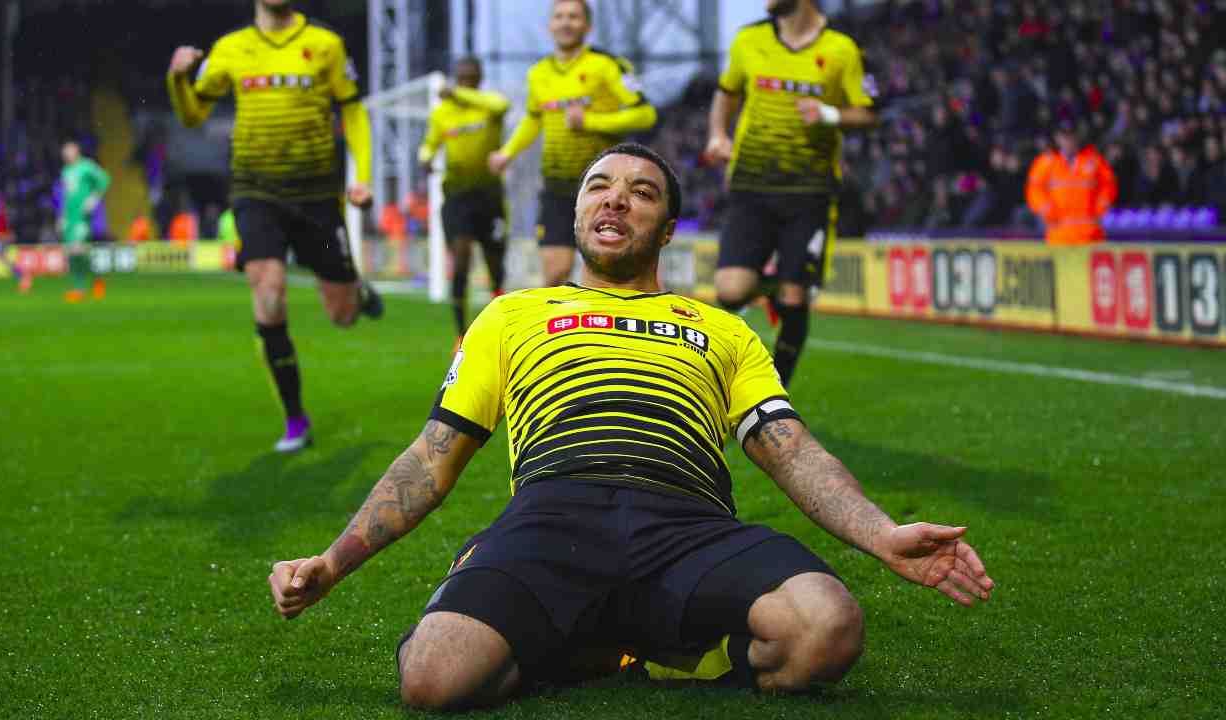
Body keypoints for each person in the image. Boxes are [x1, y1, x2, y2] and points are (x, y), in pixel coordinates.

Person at [268, 143, 994, 709]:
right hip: (554, 514)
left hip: (687, 524)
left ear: (668, 227)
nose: (616, 201)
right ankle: (597, 634)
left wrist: (879, 533)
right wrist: (333, 562)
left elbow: (790, 448)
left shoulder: (721, 329)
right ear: (579, 213)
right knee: (433, 680)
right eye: (599, 188)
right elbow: (433, 457)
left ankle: (622, 641)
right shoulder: (512, 314)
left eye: (641, 193)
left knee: (827, 631)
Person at [166, 0, 384, 452]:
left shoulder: (325, 44)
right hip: (255, 188)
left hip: (316, 192)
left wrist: (361, 175)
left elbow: (353, 110)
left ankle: (356, 292)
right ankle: (294, 418)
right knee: (267, 290)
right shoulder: (230, 48)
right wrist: (176, 79)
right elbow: (192, 115)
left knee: (342, 316)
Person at [703, 0, 880, 389]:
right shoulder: (748, 39)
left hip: (810, 191)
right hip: (752, 185)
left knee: (796, 296)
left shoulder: (842, 48)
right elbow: (727, 91)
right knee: (731, 291)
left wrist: (830, 114)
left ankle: (772, 399)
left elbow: (869, 112)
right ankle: (771, 289)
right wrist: (718, 133)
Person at [487, 0, 656, 287]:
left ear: (587, 26)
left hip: (604, 185)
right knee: (554, 272)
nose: (566, 22)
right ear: (550, 26)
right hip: (556, 185)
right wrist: (508, 152)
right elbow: (533, 119)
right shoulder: (538, 73)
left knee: (609, 271)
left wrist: (590, 121)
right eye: (560, 17)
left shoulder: (606, 65)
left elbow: (645, 113)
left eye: (574, 17)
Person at [418, 57, 511, 343]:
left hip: (490, 195)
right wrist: (424, 158)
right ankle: (461, 333)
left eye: (471, 79)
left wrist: (458, 93)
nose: (466, 83)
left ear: (479, 80)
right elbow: (429, 144)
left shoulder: (489, 106)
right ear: (457, 78)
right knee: (460, 260)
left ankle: (502, 324)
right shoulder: (443, 114)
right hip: (457, 195)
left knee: (495, 265)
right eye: (462, 79)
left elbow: (501, 106)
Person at [1025, 122, 1117, 245]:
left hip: (1090, 236)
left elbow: (1108, 185)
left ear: (1078, 137)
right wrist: (1046, 209)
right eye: (1064, 137)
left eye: (1072, 136)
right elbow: (1034, 190)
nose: (1068, 141)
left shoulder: (1094, 161)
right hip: (1058, 236)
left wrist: (1100, 206)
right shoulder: (1046, 163)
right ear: (1057, 138)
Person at [59, 140, 111, 303]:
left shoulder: (87, 166)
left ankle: (83, 286)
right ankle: (88, 284)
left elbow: (105, 179)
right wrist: (62, 216)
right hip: (70, 218)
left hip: (82, 217)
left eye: (68, 150)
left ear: (76, 151)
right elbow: (66, 197)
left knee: (77, 249)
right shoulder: (65, 171)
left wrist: (94, 198)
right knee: (72, 254)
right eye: (64, 151)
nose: (66, 154)